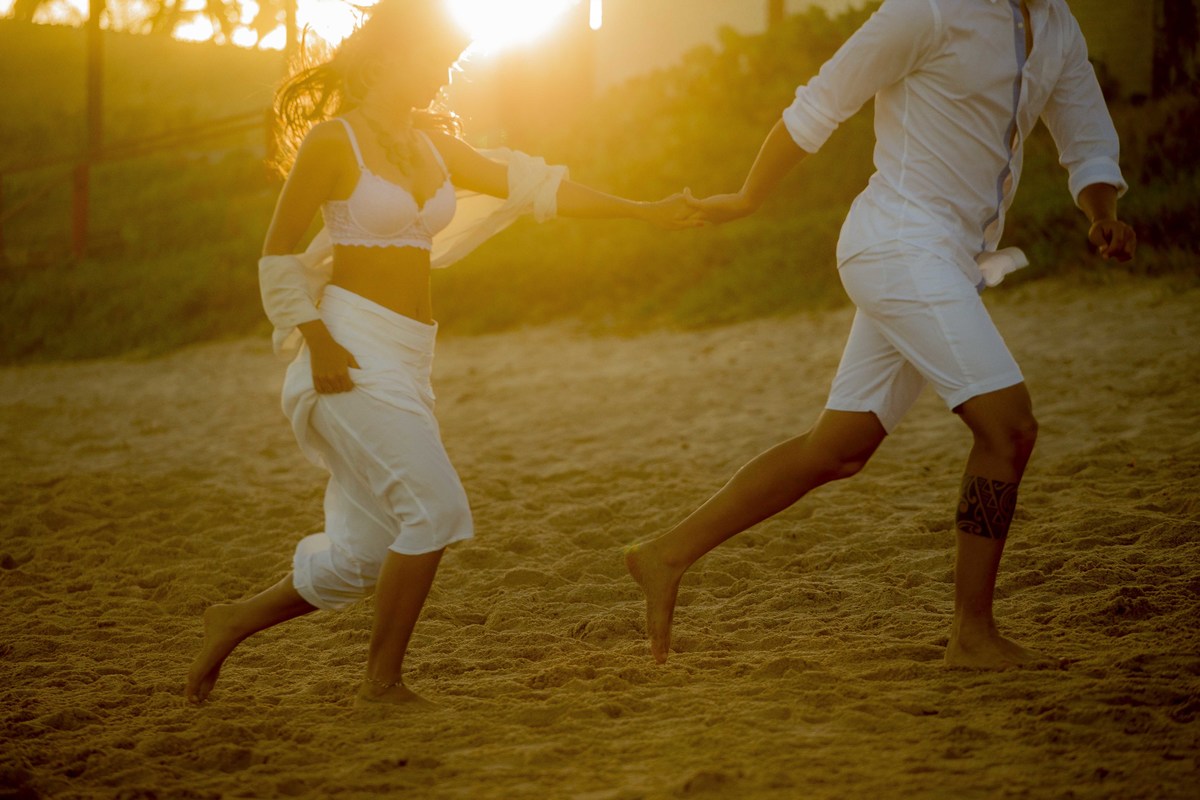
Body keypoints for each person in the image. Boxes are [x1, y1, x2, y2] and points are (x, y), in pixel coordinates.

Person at [186, 0, 698, 707]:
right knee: (434, 508)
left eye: (445, 64)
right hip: (347, 349)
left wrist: (645, 210)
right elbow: (276, 258)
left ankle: (234, 619)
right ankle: (382, 683)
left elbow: (536, 186)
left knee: (367, 554)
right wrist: (319, 338)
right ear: (386, 56)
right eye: (428, 60)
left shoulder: (429, 147)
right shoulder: (337, 143)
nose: (438, 75)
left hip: (406, 356)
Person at [626, 0, 1137, 668]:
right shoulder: (927, 11)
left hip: (947, 259)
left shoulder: (1057, 25)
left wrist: (1103, 212)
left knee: (839, 448)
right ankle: (972, 633)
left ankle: (664, 553)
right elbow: (821, 102)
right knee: (1009, 428)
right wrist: (748, 197)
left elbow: (1086, 139)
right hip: (898, 244)